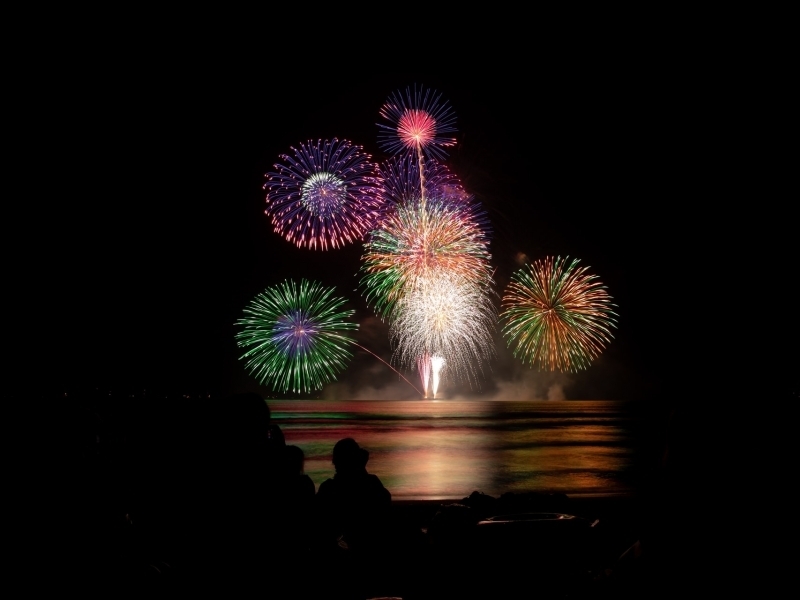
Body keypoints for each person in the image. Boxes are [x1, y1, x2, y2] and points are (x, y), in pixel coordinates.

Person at [315, 438, 391, 553]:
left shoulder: (328, 488)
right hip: (370, 546)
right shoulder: (371, 483)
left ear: (335, 462)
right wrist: (362, 469)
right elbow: (384, 504)